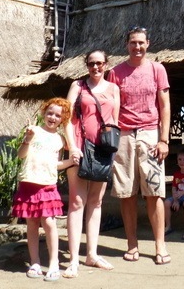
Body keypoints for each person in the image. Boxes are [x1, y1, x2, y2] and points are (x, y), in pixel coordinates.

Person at [108, 26, 172, 265]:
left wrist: (164, 139)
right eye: (133, 43)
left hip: (150, 134)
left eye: (141, 43)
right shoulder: (116, 72)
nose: (137, 47)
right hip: (124, 134)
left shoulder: (157, 69)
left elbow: (164, 105)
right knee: (126, 192)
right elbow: (111, 106)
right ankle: (132, 244)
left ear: (148, 44)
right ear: (127, 45)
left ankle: (160, 245)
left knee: (154, 192)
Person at [63, 49, 120, 278]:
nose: (95, 67)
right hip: (79, 147)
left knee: (96, 203)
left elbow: (114, 121)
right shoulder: (78, 86)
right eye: (91, 64)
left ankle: (92, 254)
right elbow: (66, 118)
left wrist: (114, 151)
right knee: (77, 203)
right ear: (86, 65)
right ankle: (74, 260)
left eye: (99, 63)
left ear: (106, 64)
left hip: (103, 151)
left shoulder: (114, 88)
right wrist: (72, 146)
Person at [11, 97, 76, 282]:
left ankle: (54, 263)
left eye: (58, 115)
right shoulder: (34, 131)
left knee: (49, 223)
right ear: (44, 113)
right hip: (28, 184)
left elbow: (55, 164)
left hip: (47, 185)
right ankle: (35, 262)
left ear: (62, 119)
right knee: (32, 224)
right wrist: (27, 139)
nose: (53, 118)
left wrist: (71, 162)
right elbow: (21, 155)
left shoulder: (60, 139)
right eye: (50, 113)